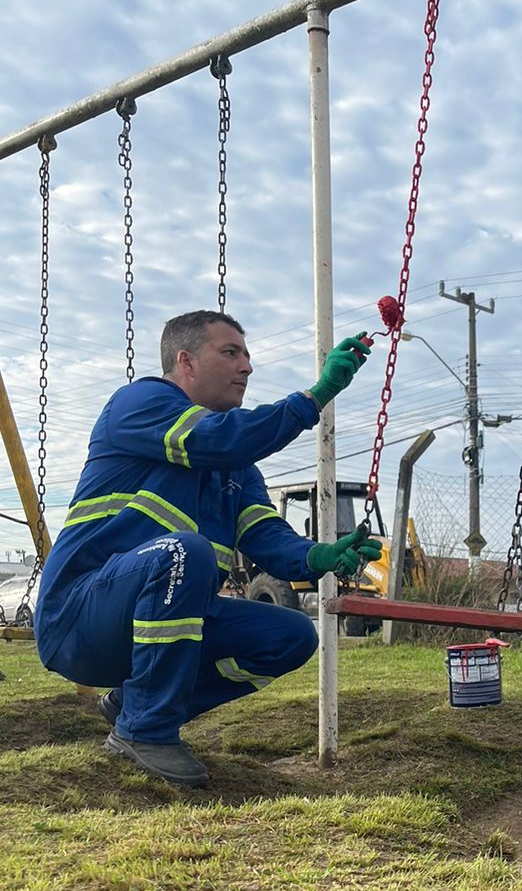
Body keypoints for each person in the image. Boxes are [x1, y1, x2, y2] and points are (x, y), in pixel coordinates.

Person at [35, 311, 380, 788]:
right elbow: (218, 439)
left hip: (139, 622)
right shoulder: (140, 403)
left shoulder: (235, 470)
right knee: (185, 552)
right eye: (231, 352)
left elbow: (266, 535)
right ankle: (146, 731)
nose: (247, 367)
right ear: (186, 361)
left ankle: (132, 705)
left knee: (293, 635)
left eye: (248, 355)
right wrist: (314, 397)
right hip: (78, 620)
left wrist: (318, 556)